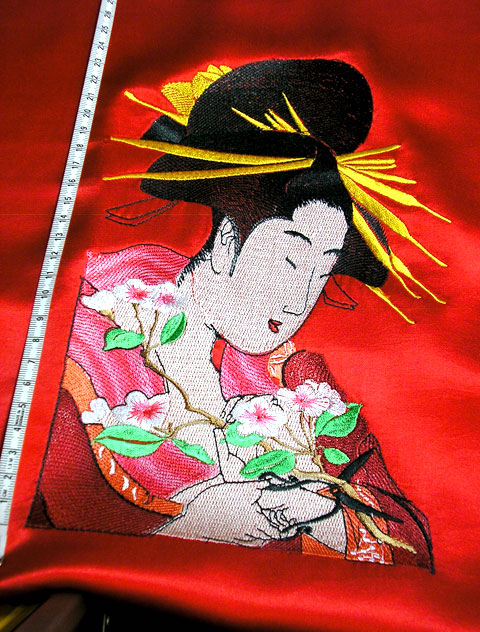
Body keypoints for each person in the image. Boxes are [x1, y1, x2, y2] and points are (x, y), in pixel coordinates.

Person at [28, 58, 436, 570]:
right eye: (290, 260)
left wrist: (325, 516)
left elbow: (412, 547)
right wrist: (191, 523)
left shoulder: (298, 383)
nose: (298, 301)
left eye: (321, 272)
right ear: (225, 241)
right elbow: (41, 515)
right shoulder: (82, 334)